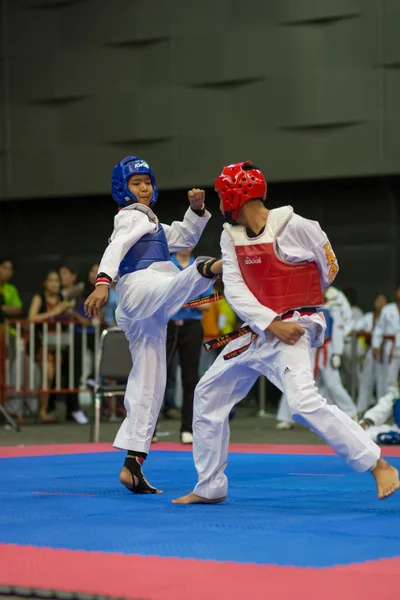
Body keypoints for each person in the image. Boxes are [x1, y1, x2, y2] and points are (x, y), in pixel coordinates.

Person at [173, 160, 399, 505]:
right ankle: (210, 486)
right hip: (260, 330)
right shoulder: (228, 236)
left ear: (235, 195)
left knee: (303, 402)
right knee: (208, 393)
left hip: (294, 327)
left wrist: (299, 304)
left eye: (221, 196)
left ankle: (378, 464)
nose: (220, 204)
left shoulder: (298, 226)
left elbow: (330, 268)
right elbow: (234, 289)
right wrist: (269, 321)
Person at [84, 156, 222, 494]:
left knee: (151, 382)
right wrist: (103, 282)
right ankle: (205, 271)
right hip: (140, 290)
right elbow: (116, 247)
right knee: (173, 280)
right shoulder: (130, 218)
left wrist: (198, 210)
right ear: (123, 189)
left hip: (148, 311)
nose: (144, 188)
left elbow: (184, 235)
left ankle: (133, 464)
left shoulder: (154, 224)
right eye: (136, 183)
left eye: (147, 182)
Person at [165, 248, 212, 444]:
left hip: (192, 327)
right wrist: (190, 297)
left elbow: (208, 303)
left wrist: (183, 297)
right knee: (159, 376)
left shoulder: (199, 265)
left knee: (190, 378)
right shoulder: (166, 264)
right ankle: (150, 429)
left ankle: (187, 428)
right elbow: (162, 297)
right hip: (167, 325)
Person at [355, 293, 387, 413]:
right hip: (370, 351)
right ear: (374, 303)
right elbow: (357, 327)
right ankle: (361, 407)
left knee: (383, 381)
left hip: (386, 352)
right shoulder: (369, 317)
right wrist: (365, 333)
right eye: (379, 300)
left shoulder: (389, 316)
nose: (381, 303)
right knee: (366, 379)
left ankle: (382, 410)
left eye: (383, 301)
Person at [372, 285, 400, 395]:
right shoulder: (387, 310)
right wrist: (375, 345)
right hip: (390, 349)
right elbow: (379, 328)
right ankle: (387, 410)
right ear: (396, 293)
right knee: (389, 380)